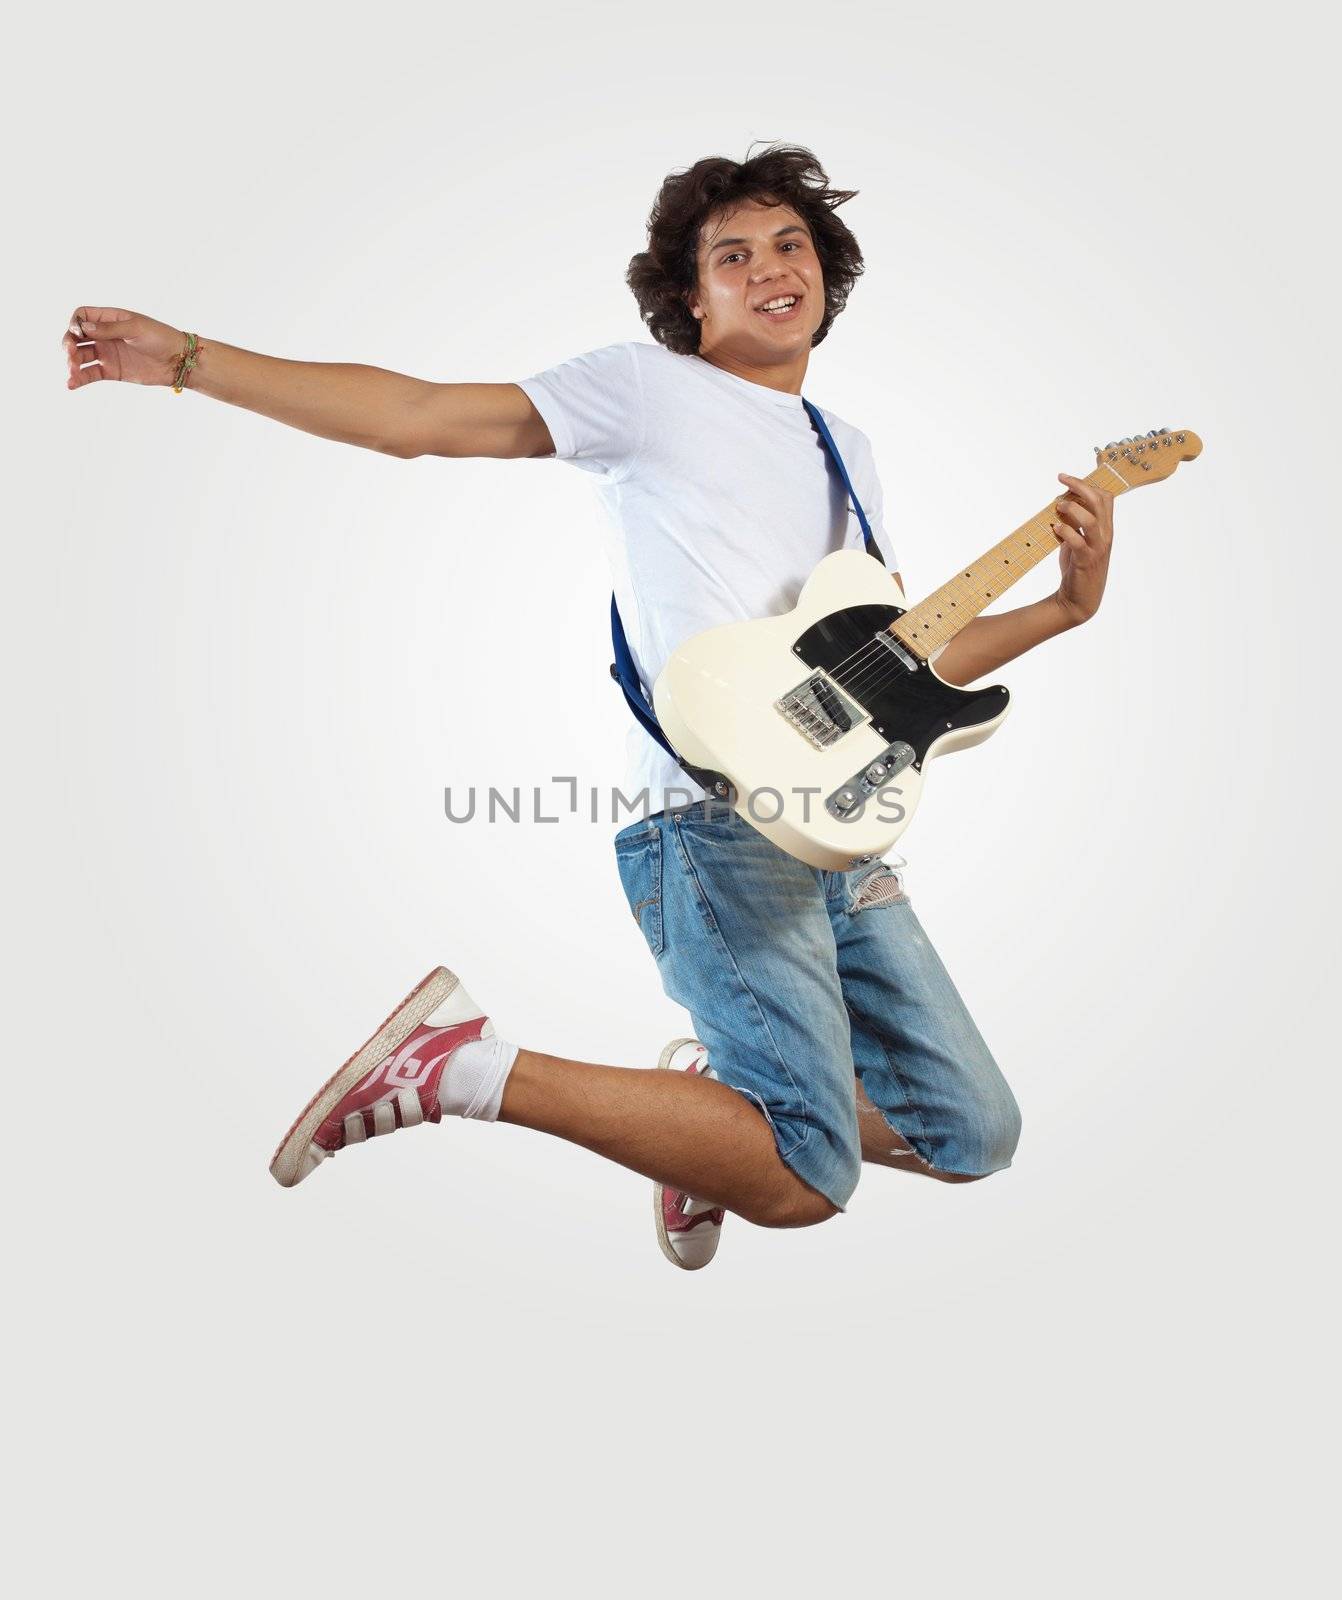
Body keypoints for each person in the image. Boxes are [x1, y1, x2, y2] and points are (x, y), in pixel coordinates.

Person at [62, 142, 1116, 1272]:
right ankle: (462, 1063)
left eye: (791, 244)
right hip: (713, 822)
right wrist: (188, 361)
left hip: (838, 831)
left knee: (971, 1130)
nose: (771, 268)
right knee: (811, 1175)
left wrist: (1064, 606)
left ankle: (700, 1120)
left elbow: (896, 658)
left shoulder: (840, 447)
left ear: (826, 270)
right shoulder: (650, 390)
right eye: (733, 254)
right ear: (688, 296)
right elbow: (420, 414)